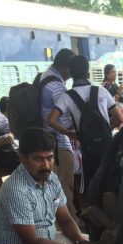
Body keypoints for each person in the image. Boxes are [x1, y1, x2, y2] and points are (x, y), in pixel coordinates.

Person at [48, 55, 122, 189]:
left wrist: (71, 134)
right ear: (88, 73)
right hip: (107, 146)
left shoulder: (67, 96)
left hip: (88, 150)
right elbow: (119, 118)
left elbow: (51, 120)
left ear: (70, 73)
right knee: (111, 184)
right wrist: (104, 129)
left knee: (92, 186)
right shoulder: (101, 90)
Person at [39, 48, 79, 222]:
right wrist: (74, 133)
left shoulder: (44, 76)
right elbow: (60, 118)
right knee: (64, 186)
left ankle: (58, 220)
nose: (71, 73)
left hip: (47, 140)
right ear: (66, 67)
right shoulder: (57, 86)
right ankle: (71, 223)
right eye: (71, 69)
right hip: (59, 144)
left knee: (53, 185)